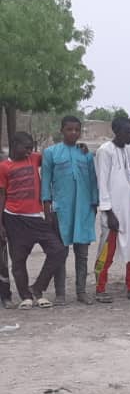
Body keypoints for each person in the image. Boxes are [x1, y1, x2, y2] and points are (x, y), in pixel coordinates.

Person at [0, 132, 66, 309]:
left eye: (31, 148)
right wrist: (1, 224)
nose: (29, 151)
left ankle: (37, 288)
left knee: (58, 250)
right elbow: (2, 195)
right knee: (19, 259)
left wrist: (79, 147)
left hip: (37, 217)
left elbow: (53, 155)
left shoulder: (34, 158)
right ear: (14, 145)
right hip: (14, 218)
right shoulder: (4, 167)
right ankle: (25, 296)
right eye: (26, 147)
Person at [41, 115, 98, 305]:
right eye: (69, 129)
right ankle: (60, 294)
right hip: (61, 210)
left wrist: (94, 204)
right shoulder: (51, 153)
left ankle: (81, 292)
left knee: (82, 254)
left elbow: (92, 181)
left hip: (83, 209)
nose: (73, 133)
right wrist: (47, 208)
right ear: (62, 130)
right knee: (60, 252)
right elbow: (45, 181)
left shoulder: (86, 154)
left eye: (76, 130)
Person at [94, 117, 130, 303]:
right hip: (113, 212)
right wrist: (108, 212)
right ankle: (100, 288)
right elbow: (102, 183)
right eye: (127, 132)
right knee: (106, 252)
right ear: (116, 130)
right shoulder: (104, 151)